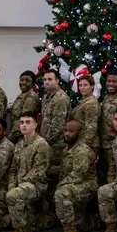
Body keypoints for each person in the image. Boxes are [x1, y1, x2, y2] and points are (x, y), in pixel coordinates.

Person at [4, 112, 51, 232]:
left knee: (13, 196)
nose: (24, 125)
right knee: (31, 224)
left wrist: (20, 184)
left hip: (37, 184)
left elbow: (39, 170)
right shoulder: (19, 145)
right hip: (22, 185)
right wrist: (12, 185)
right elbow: (13, 169)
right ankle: (35, 220)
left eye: (28, 122)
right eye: (22, 123)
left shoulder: (41, 144)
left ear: (35, 125)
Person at [52, 119, 99, 232]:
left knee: (61, 193)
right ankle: (94, 221)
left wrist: (59, 186)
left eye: (71, 131)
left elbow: (77, 176)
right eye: (65, 131)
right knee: (81, 224)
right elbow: (63, 170)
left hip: (88, 184)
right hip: (74, 184)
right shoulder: (67, 148)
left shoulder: (82, 151)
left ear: (79, 133)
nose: (67, 134)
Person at [39, 69, 70, 208]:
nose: (46, 82)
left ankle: (55, 211)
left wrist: (44, 142)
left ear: (57, 81)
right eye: (45, 80)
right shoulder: (47, 97)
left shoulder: (60, 98)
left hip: (56, 145)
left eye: (50, 79)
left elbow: (58, 125)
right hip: (46, 142)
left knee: (54, 177)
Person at [69, 75, 101, 154]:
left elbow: (91, 128)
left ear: (92, 86)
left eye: (85, 85)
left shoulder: (91, 103)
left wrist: (82, 147)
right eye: (80, 85)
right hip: (79, 142)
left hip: (88, 145)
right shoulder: (83, 102)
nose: (82, 88)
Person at [8, 71, 41, 144]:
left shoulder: (31, 97)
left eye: (27, 81)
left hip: (23, 137)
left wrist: (10, 139)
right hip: (17, 136)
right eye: (22, 80)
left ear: (32, 84)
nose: (23, 83)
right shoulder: (23, 95)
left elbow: (24, 121)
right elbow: (13, 108)